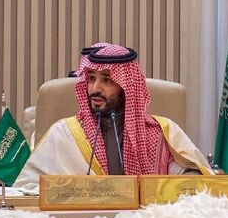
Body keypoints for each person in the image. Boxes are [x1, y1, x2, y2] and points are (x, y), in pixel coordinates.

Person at [14, 44, 212, 189]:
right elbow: (26, 187)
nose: (95, 88)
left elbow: (194, 181)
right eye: (91, 79)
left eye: (107, 80)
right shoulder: (63, 133)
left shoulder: (161, 131)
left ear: (126, 86)